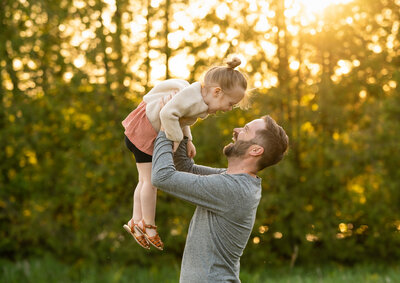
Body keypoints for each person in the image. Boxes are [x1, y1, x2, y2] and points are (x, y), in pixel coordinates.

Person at [122, 57, 248, 250]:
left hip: (143, 129)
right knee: (150, 182)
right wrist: (173, 140)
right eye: (230, 103)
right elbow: (167, 115)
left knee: (143, 180)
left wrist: (187, 141)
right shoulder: (193, 97)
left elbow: (181, 118)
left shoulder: (198, 99)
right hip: (144, 130)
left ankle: (136, 220)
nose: (229, 109)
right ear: (217, 92)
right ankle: (148, 224)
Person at [151, 115, 289, 282]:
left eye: (245, 130)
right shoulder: (232, 180)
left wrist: (167, 125)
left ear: (255, 150)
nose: (236, 131)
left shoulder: (233, 189)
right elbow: (184, 168)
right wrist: (181, 126)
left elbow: (162, 176)